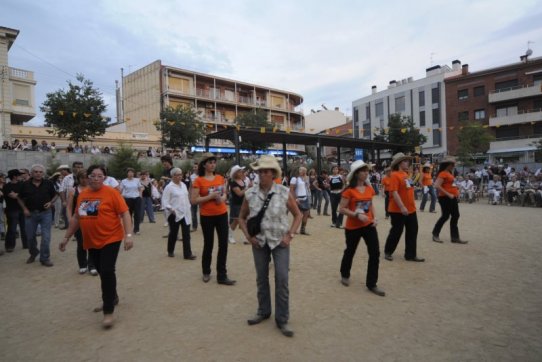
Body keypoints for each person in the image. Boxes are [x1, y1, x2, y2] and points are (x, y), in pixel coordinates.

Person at [60, 165, 133, 329]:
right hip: (91, 241)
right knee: (102, 271)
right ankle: (112, 296)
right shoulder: (84, 195)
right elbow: (78, 218)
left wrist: (128, 235)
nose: (95, 178)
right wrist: (66, 237)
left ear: (105, 178)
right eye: (92, 175)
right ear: (87, 177)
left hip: (111, 238)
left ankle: (108, 310)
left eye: (99, 176)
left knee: (107, 270)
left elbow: (125, 213)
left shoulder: (112, 193)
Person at [239, 155, 302, 337]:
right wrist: (249, 237)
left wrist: (290, 235)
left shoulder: (283, 192)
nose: (262, 174)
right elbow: (241, 217)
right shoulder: (250, 193)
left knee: (282, 279)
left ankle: (282, 319)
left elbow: (297, 215)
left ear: (273, 174)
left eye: (266, 171)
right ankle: (263, 311)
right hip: (259, 242)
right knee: (261, 278)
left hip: (280, 242)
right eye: (260, 171)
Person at [338, 160, 385, 296]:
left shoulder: (369, 189)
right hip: (353, 227)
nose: (366, 173)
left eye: (367, 171)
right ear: (356, 173)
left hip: (369, 224)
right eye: (363, 171)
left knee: (375, 253)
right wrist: (356, 215)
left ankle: (372, 284)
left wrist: (374, 218)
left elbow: (370, 206)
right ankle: (345, 274)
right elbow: (341, 209)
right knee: (350, 251)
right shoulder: (349, 191)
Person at [190, 153, 235, 285]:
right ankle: (206, 271)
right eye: (210, 162)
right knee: (208, 244)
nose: (212, 165)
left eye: (214, 162)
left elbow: (225, 193)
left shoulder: (220, 178)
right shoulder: (198, 180)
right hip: (207, 216)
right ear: (204, 164)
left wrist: (222, 198)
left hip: (221, 214)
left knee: (223, 245)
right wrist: (210, 197)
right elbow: (193, 200)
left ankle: (222, 275)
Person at [383, 153, 425, 262]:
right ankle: (388, 251)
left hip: (411, 209)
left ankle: (410, 255)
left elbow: (408, 189)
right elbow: (394, 192)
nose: (408, 163)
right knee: (397, 231)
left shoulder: (406, 175)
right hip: (398, 210)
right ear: (400, 163)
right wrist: (402, 207)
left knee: (413, 230)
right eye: (406, 161)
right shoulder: (394, 175)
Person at [17, 164, 58, 266]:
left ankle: (44, 258)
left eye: (40, 172)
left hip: (46, 214)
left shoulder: (48, 183)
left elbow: (56, 195)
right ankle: (33, 252)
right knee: (30, 237)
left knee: (46, 237)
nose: (38, 174)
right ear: (31, 173)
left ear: (43, 173)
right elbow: (19, 198)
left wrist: (51, 203)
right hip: (30, 214)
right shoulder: (24, 184)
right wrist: (24, 209)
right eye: (36, 172)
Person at [66, 170, 98, 275]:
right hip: (79, 220)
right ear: (78, 179)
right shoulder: (73, 190)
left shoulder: (93, 190)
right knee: (81, 243)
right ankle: (82, 264)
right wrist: (70, 219)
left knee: (93, 243)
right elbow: (69, 207)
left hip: (92, 220)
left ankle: (92, 265)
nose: (85, 180)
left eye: (86, 177)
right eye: (82, 178)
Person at [161, 167, 196, 259]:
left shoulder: (184, 185)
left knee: (186, 234)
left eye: (181, 174)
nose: (180, 176)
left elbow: (186, 197)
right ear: (172, 176)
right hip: (174, 214)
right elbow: (164, 201)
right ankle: (170, 250)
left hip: (185, 213)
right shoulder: (169, 187)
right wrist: (171, 209)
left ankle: (188, 254)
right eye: (177, 175)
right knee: (173, 233)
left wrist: (189, 207)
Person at [432, 157, 468, 244]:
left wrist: (455, 190)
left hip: (452, 197)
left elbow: (450, 184)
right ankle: (435, 234)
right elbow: (437, 185)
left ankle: (455, 237)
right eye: (452, 164)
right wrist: (448, 194)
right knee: (445, 216)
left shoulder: (449, 173)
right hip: (445, 198)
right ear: (447, 165)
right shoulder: (443, 173)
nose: (453, 166)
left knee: (455, 215)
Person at [3, 169, 28, 251]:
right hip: (11, 210)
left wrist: (17, 194)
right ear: (14, 176)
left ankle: (26, 244)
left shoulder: (22, 184)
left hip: (22, 209)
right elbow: (13, 196)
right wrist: (19, 195)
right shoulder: (6, 186)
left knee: (24, 228)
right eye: (19, 175)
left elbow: (25, 195)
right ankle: (9, 246)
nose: (20, 176)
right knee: (12, 229)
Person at [120, 168, 143, 235]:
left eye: (132, 172)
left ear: (134, 173)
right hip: (127, 199)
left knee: (137, 214)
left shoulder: (137, 180)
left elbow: (140, 188)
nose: (130, 174)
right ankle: (129, 228)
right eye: (129, 172)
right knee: (128, 214)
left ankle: (136, 229)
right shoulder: (123, 181)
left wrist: (140, 194)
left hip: (137, 198)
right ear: (127, 173)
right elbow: (120, 190)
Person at [290, 166, 311, 234]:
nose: (303, 171)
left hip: (305, 197)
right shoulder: (294, 178)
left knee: (306, 214)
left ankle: (303, 229)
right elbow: (291, 189)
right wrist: (295, 199)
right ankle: (294, 229)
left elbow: (307, 187)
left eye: (304, 170)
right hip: (298, 199)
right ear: (298, 171)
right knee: (297, 214)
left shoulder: (304, 178)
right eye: (301, 170)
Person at [228, 165, 246, 244]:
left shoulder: (242, 181)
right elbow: (239, 193)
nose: (241, 172)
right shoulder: (233, 183)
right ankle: (230, 236)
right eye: (240, 171)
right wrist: (248, 188)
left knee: (245, 220)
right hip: (236, 204)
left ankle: (246, 237)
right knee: (236, 220)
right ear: (235, 173)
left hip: (243, 203)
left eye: (241, 171)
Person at [189, 162, 199, 232]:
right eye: (194, 167)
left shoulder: (202, 175)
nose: (194, 168)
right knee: (193, 212)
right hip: (194, 196)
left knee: (203, 212)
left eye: (196, 167)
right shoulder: (191, 176)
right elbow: (190, 186)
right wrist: (189, 195)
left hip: (201, 195)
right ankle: (194, 227)